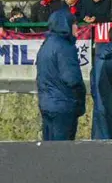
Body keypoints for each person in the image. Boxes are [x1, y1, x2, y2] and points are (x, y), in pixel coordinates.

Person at [36, 10, 85, 141]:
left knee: (50, 147)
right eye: (74, 23)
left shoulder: (46, 45)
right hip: (63, 105)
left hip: (46, 103)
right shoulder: (65, 47)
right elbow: (72, 79)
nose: (77, 27)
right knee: (62, 151)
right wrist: (80, 101)